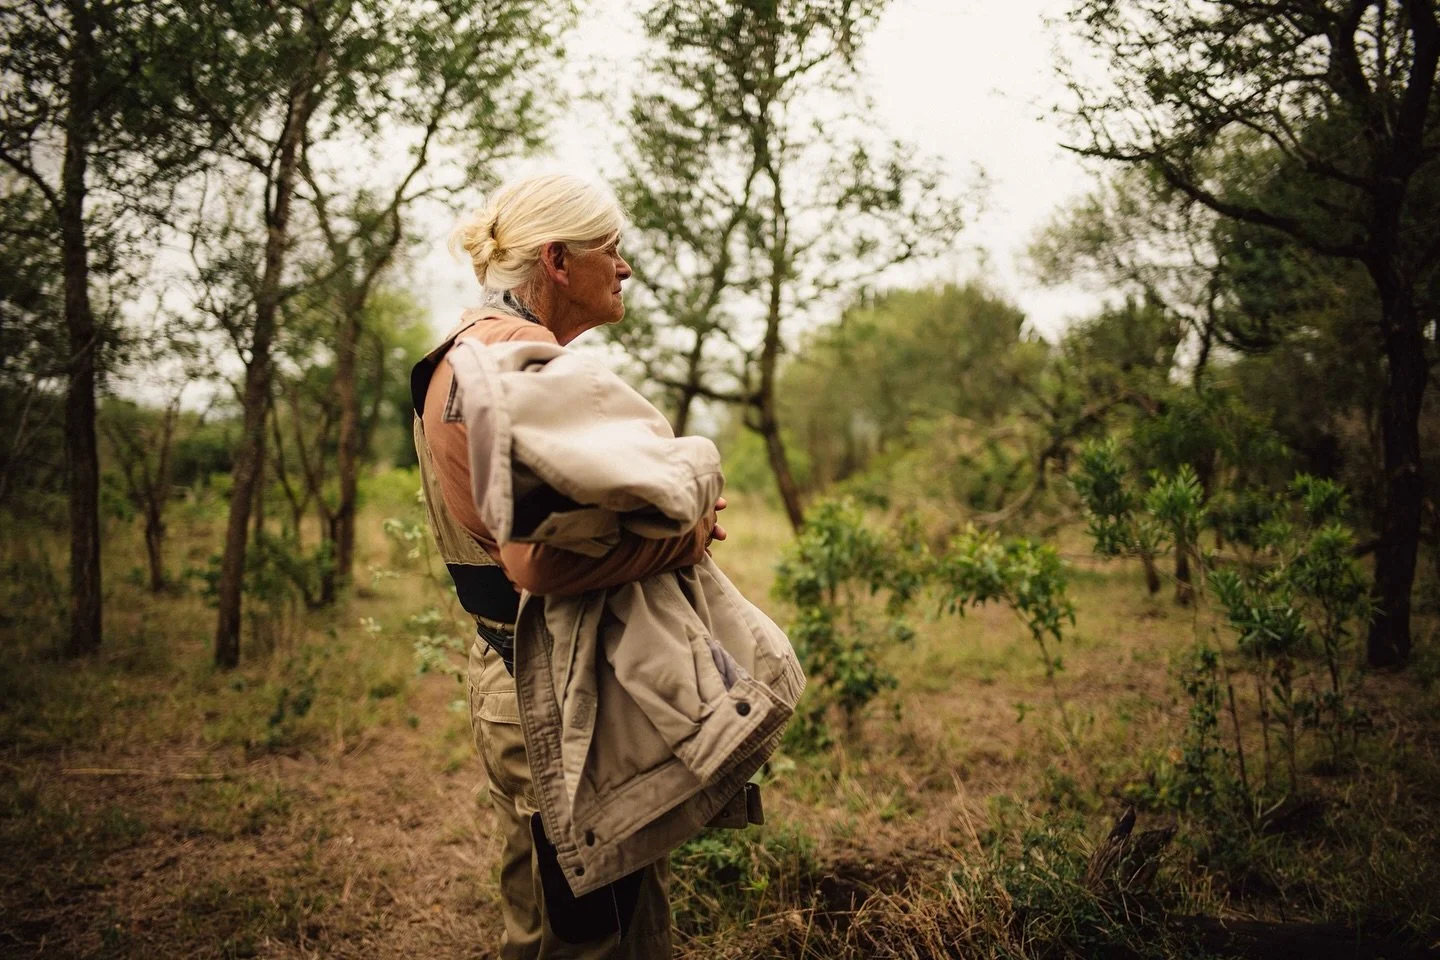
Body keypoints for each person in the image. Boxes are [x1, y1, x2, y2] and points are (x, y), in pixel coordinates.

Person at [410, 174, 723, 959]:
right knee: (597, 935)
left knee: (546, 925)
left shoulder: (461, 353)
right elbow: (538, 561)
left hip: (514, 677)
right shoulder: (518, 361)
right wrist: (686, 536)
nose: (624, 268)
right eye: (609, 249)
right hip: (557, 690)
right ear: (556, 260)